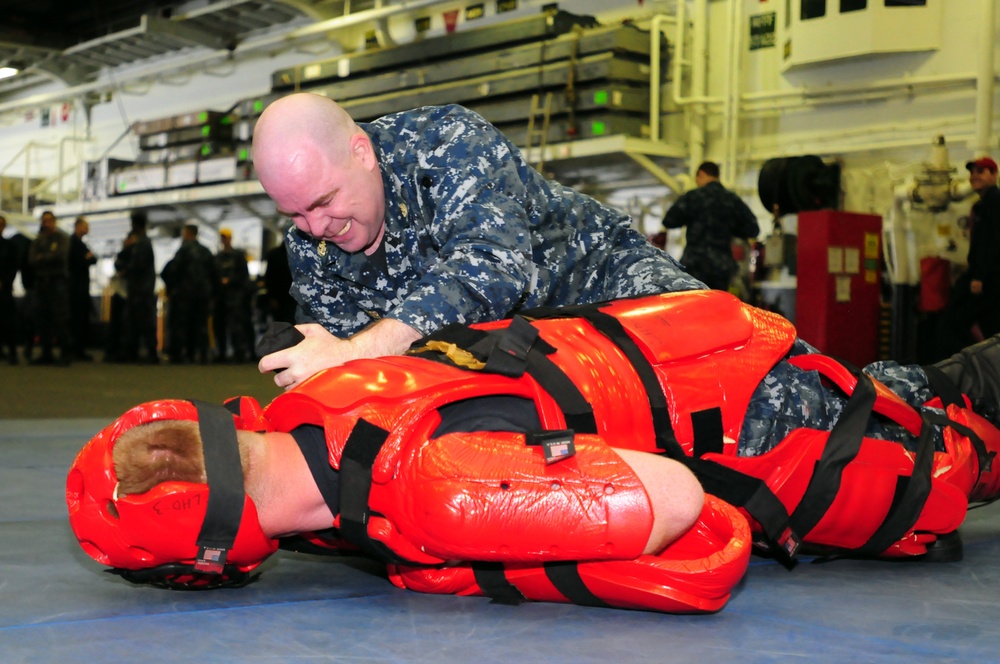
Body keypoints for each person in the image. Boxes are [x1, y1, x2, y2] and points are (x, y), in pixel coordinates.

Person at [67, 291, 1000, 613]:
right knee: (923, 389)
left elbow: (675, 505)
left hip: (771, 435)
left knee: (952, 459)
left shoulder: (435, 494)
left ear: (208, 559)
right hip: (708, 358)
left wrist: (478, 569)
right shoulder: (317, 394)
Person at [250, 93, 706, 389]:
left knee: (724, 358)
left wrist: (355, 352)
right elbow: (353, 373)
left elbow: (489, 269)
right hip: (512, 357)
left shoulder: (446, 144)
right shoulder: (311, 249)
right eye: (293, 213)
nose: (314, 226)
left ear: (361, 153)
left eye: (324, 200)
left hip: (600, 284)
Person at [934, 156, 1000, 359]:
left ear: (994, 175)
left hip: (988, 280)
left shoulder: (994, 202)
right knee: (987, 327)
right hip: (984, 277)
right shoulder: (983, 204)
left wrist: (980, 276)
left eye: (981, 171)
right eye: (972, 172)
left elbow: (993, 242)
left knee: (952, 324)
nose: (974, 176)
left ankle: (970, 364)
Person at [661, 161, 761, 292]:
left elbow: (669, 221)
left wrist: (691, 218)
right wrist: (730, 227)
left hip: (694, 264)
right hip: (721, 266)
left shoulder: (693, 197)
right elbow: (753, 229)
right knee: (716, 307)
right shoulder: (732, 200)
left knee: (693, 305)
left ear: (701, 174)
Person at [162, 224, 216, 364]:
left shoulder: (183, 250)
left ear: (188, 234)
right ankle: (202, 355)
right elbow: (214, 274)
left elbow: (171, 270)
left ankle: (178, 355)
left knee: (181, 325)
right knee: (200, 325)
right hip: (202, 296)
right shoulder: (206, 252)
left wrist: (171, 289)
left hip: (184, 295)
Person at [27, 210, 73, 365]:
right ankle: (46, 352)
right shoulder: (38, 240)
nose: (46, 223)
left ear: (54, 221)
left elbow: (60, 256)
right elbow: (32, 260)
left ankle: (65, 353)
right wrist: (47, 257)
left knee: (60, 317)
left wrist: (43, 257)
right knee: (42, 317)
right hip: (42, 283)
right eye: (44, 221)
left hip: (57, 282)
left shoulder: (62, 238)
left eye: (49, 220)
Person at [120, 211, 160, 364]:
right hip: (140, 288)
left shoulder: (142, 243)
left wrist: (125, 269)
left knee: (144, 322)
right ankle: (137, 351)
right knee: (136, 321)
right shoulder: (139, 242)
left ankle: (149, 353)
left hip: (141, 289)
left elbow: (136, 265)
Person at [213, 227, 252, 363]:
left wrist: (231, 281)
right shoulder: (217, 257)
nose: (224, 240)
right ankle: (221, 353)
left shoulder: (238, 256)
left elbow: (244, 277)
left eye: (226, 237)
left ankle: (239, 353)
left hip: (235, 298)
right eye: (222, 237)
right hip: (221, 298)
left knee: (237, 327)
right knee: (220, 326)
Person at [68, 216, 98, 360]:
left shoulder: (78, 243)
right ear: (78, 226)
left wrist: (87, 258)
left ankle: (77, 349)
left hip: (79, 286)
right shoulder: (74, 243)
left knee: (79, 318)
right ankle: (76, 349)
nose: (88, 229)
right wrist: (87, 258)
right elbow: (82, 260)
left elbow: (92, 258)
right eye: (86, 226)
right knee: (77, 318)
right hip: (76, 288)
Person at [0, 215, 19, 364]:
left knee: (9, 322)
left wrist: (5, 282)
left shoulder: (9, 246)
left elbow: (13, 268)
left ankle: (12, 353)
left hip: (4, 290)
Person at [262, 239, 296, 325]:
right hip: (281, 298)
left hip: (293, 299)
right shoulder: (275, 254)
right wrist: (272, 297)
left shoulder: (298, 253)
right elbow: (269, 278)